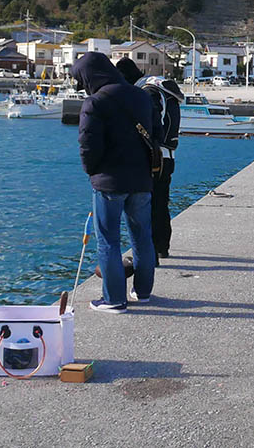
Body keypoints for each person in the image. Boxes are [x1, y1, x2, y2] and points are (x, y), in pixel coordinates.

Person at [71, 52, 157, 313]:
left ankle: (114, 299)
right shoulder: (141, 96)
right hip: (141, 179)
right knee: (142, 237)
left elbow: (88, 145)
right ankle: (143, 292)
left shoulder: (95, 102)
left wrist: (92, 172)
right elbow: (157, 133)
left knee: (108, 240)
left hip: (109, 182)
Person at [140, 76, 183, 260]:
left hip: (156, 157)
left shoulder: (150, 93)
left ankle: (152, 249)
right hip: (169, 156)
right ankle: (162, 247)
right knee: (162, 204)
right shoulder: (170, 95)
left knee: (149, 205)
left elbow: (151, 125)